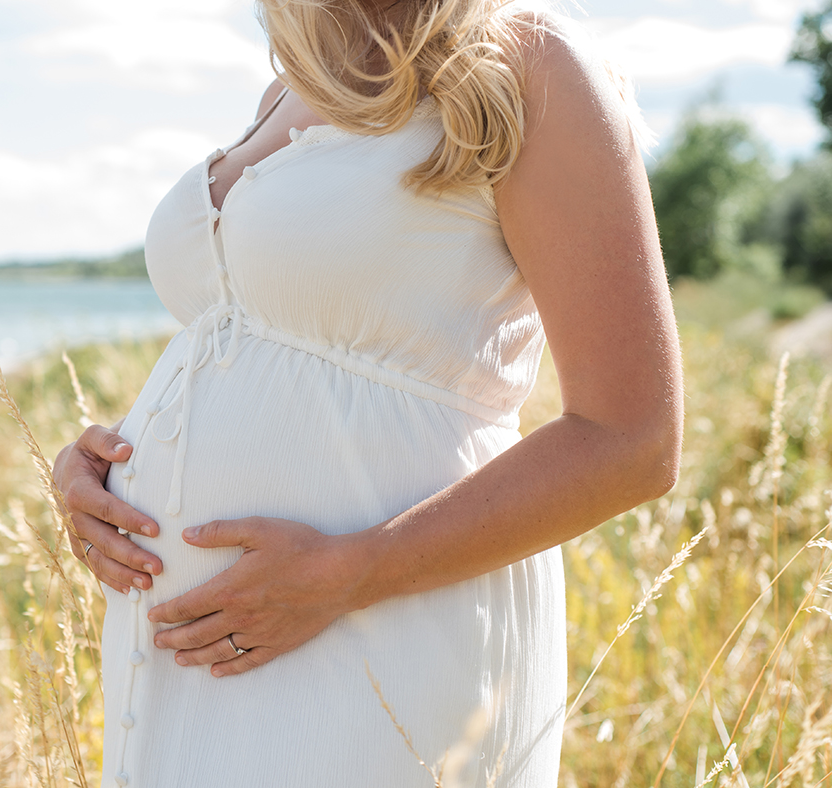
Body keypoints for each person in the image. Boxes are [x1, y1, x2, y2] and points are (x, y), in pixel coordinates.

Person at [52, 0, 683, 785]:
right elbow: (264, 341)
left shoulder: (529, 62)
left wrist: (357, 570)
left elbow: (632, 440)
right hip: (198, 649)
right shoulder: (290, 80)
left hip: (386, 623)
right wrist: (106, 461)